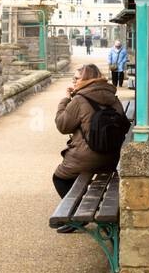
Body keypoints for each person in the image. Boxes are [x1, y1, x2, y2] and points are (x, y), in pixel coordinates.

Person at [52, 63, 123, 210]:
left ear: (86, 79)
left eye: (76, 78)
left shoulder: (79, 100)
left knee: (59, 178)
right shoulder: (112, 97)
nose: (74, 81)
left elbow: (63, 126)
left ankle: (77, 214)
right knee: (84, 177)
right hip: (111, 156)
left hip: (88, 158)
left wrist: (65, 100)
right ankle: (89, 207)